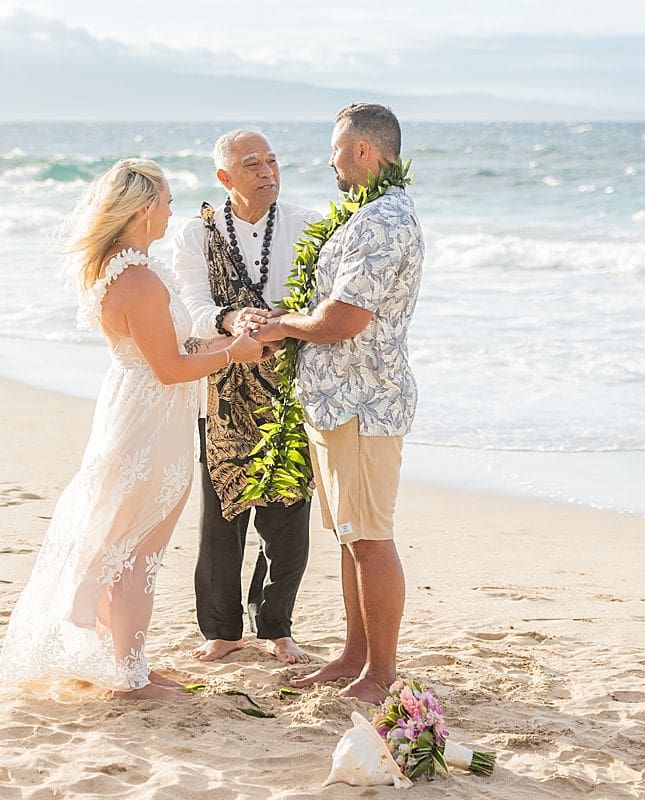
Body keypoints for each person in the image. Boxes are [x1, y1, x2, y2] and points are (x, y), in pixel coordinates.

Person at [0, 158, 263, 702]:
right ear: (145, 210)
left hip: (145, 412)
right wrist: (235, 354)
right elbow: (168, 368)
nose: (171, 213)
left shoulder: (129, 267)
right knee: (137, 551)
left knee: (131, 546)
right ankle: (130, 676)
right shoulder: (137, 279)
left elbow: (172, 351)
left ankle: (131, 663)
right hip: (149, 421)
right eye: (166, 203)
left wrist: (227, 339)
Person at [253, 104, 424, 703]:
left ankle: (381, 673)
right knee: (352, 535)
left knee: (371, 538)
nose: (328, 161)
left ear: (362, 152)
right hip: (335, 401)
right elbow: (326, 310)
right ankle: (355, 656)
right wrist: (285, 320)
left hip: (364, 404)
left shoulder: (384, 221)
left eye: (335, 149)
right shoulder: (365, 215)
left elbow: (342, 319)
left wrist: (280, 328)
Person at [173, 130, 321, 664]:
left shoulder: (307, 225)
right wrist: (231, 318)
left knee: (288, 512)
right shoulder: (198, 235)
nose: (267, 171)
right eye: (253, 163)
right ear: (225, 177)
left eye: (273, 161)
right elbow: (191, 303)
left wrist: (280, 321)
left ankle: (277, 627)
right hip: (222, 383)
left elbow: (322, 300)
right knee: (223, 512)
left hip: (288, 383)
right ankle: (221, 630)